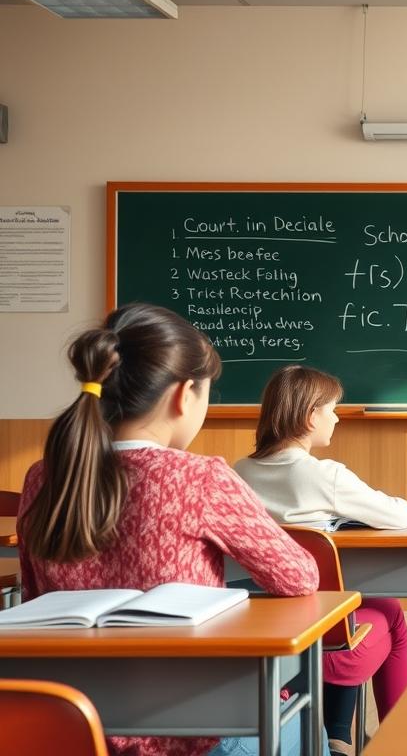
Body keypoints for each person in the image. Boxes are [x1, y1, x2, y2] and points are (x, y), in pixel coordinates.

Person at [16, 303, 323, 756]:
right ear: (183, 395)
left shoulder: (42, 477)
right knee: (302, 708)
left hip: (73, 727)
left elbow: (32, 595)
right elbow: (299, 576)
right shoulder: (199, 477)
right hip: (196, 729)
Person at [234, 365, 407, 755]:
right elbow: (399, 516)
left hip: (259, 641)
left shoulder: (237, 473)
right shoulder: (323, 476)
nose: (337, 418)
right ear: (310, 416)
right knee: (388, 610)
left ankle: (338, 737)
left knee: (347, 605)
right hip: (327, 650)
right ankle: (401, 739)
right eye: (332, 409)